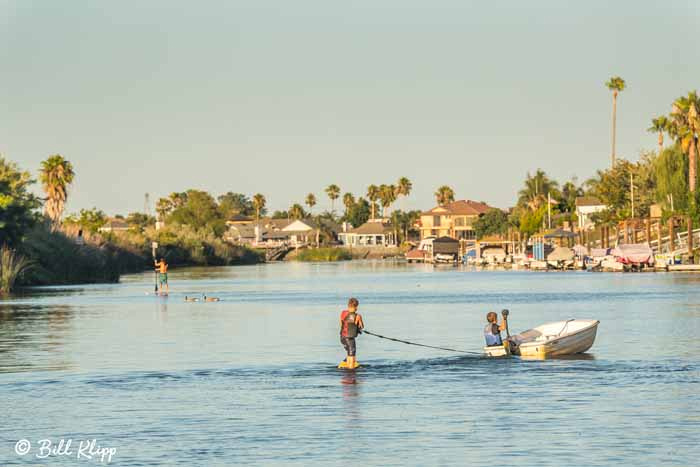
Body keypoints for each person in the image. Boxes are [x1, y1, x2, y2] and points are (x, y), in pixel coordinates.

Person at [340, 297, 364, 368]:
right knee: (352, 356)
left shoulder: (343, 313)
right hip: (350, 338)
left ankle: (345, 365)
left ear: (348, 305)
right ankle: (351, 372)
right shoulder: (358, 316)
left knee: (349, 353)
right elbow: (361, 326)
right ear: (356, 307)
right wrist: (358, 329)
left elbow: (342, 324)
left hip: (342, 338)